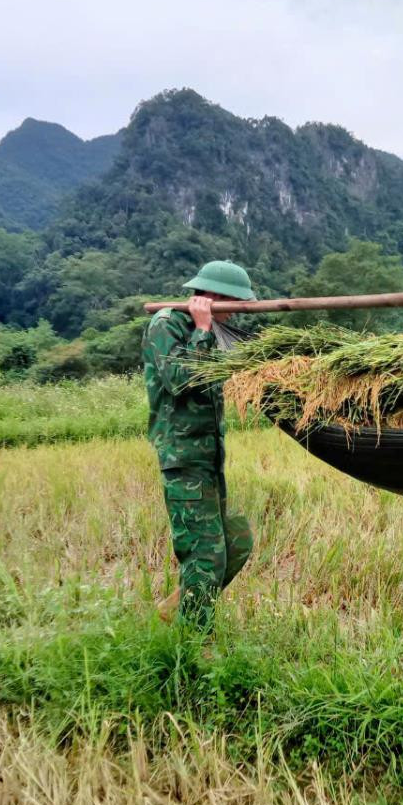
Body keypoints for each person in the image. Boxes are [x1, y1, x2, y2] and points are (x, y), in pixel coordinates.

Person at [142, 261, 255, 631]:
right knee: (205, 556)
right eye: (233, 303)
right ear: (213, 296)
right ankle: (194, 642)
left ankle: (177, 606)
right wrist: (203, 329)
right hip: (183, 459)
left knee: (236, 540)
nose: (235, 311)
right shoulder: (167, 324)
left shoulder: (213, 332)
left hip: (209, 459)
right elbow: (178, 380)